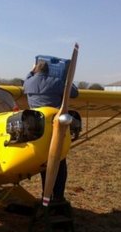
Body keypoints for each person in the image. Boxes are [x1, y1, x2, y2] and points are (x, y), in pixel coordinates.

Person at [23, 59, 78, 202]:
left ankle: (46, 195)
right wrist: (66, 78)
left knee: (45, 163)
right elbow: (74, 92)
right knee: (59, 163)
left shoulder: (28, 82)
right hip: (55, 129)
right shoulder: (56, 82)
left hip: (36, 131)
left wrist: (31, 70)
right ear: (49, 70)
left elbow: (27, 78)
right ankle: (57, 197)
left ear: (36, 69)